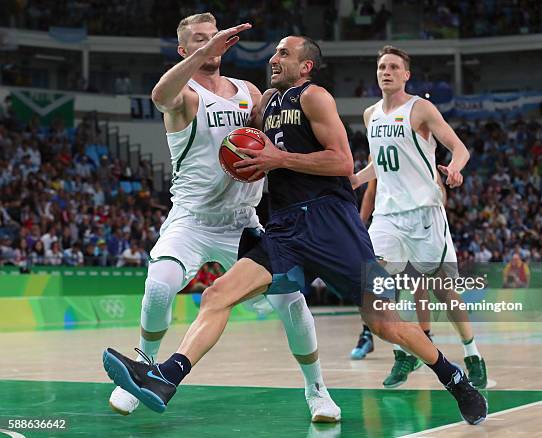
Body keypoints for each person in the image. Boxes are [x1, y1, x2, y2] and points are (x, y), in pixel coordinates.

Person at [103, 34, 487, 425]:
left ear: (305, 66)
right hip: (285, 226)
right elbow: (218, 121)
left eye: (283, 54)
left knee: (384, 322)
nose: (274, 58)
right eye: (274, 52)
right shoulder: (265, 101)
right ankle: (168, 377)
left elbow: (341, 162)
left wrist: (278, 158)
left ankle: (452, 376)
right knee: (217, 294)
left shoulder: (314, 96)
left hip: (332, 223)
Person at [106, 15, 340, 422]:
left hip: (243, 220)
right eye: (198, 40)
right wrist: (202, 55)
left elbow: (276, 130)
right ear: (185, 51)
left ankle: (316, 390)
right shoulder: (185, 94)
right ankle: (142, 370)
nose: (209, 43)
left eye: (212, 37)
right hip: (192, 219)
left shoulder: (250, 92)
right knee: (159, 288)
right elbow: (160, 96)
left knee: (292, 302)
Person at [349, 46, 487, 389]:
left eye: (394, 67)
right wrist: (353, 179)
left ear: (406, 75)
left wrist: (454, 169)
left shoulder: (421, 108)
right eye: (382, 66)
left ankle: (472, 353)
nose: (387, 71)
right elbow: (378, 164)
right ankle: (404, 352)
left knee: (444, 292)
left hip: (425, 214)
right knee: (376, 284)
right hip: (388, 215)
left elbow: (460, 148)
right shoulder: (370, 115)